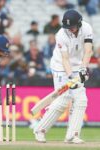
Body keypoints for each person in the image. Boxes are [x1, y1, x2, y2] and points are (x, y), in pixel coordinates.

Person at [33, 10, 93, 144]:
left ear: (79, 23)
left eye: (72, 27)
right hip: (60, 66)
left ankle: (72, 135)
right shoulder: (60, 34)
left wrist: (83, 69)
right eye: (67, 27)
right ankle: (40, 130)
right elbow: (65, 59)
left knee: (81, 99)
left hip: (78, 66)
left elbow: (88, 50)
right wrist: (71, 76)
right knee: (64, 98)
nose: (70, 30)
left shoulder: (87, 28)